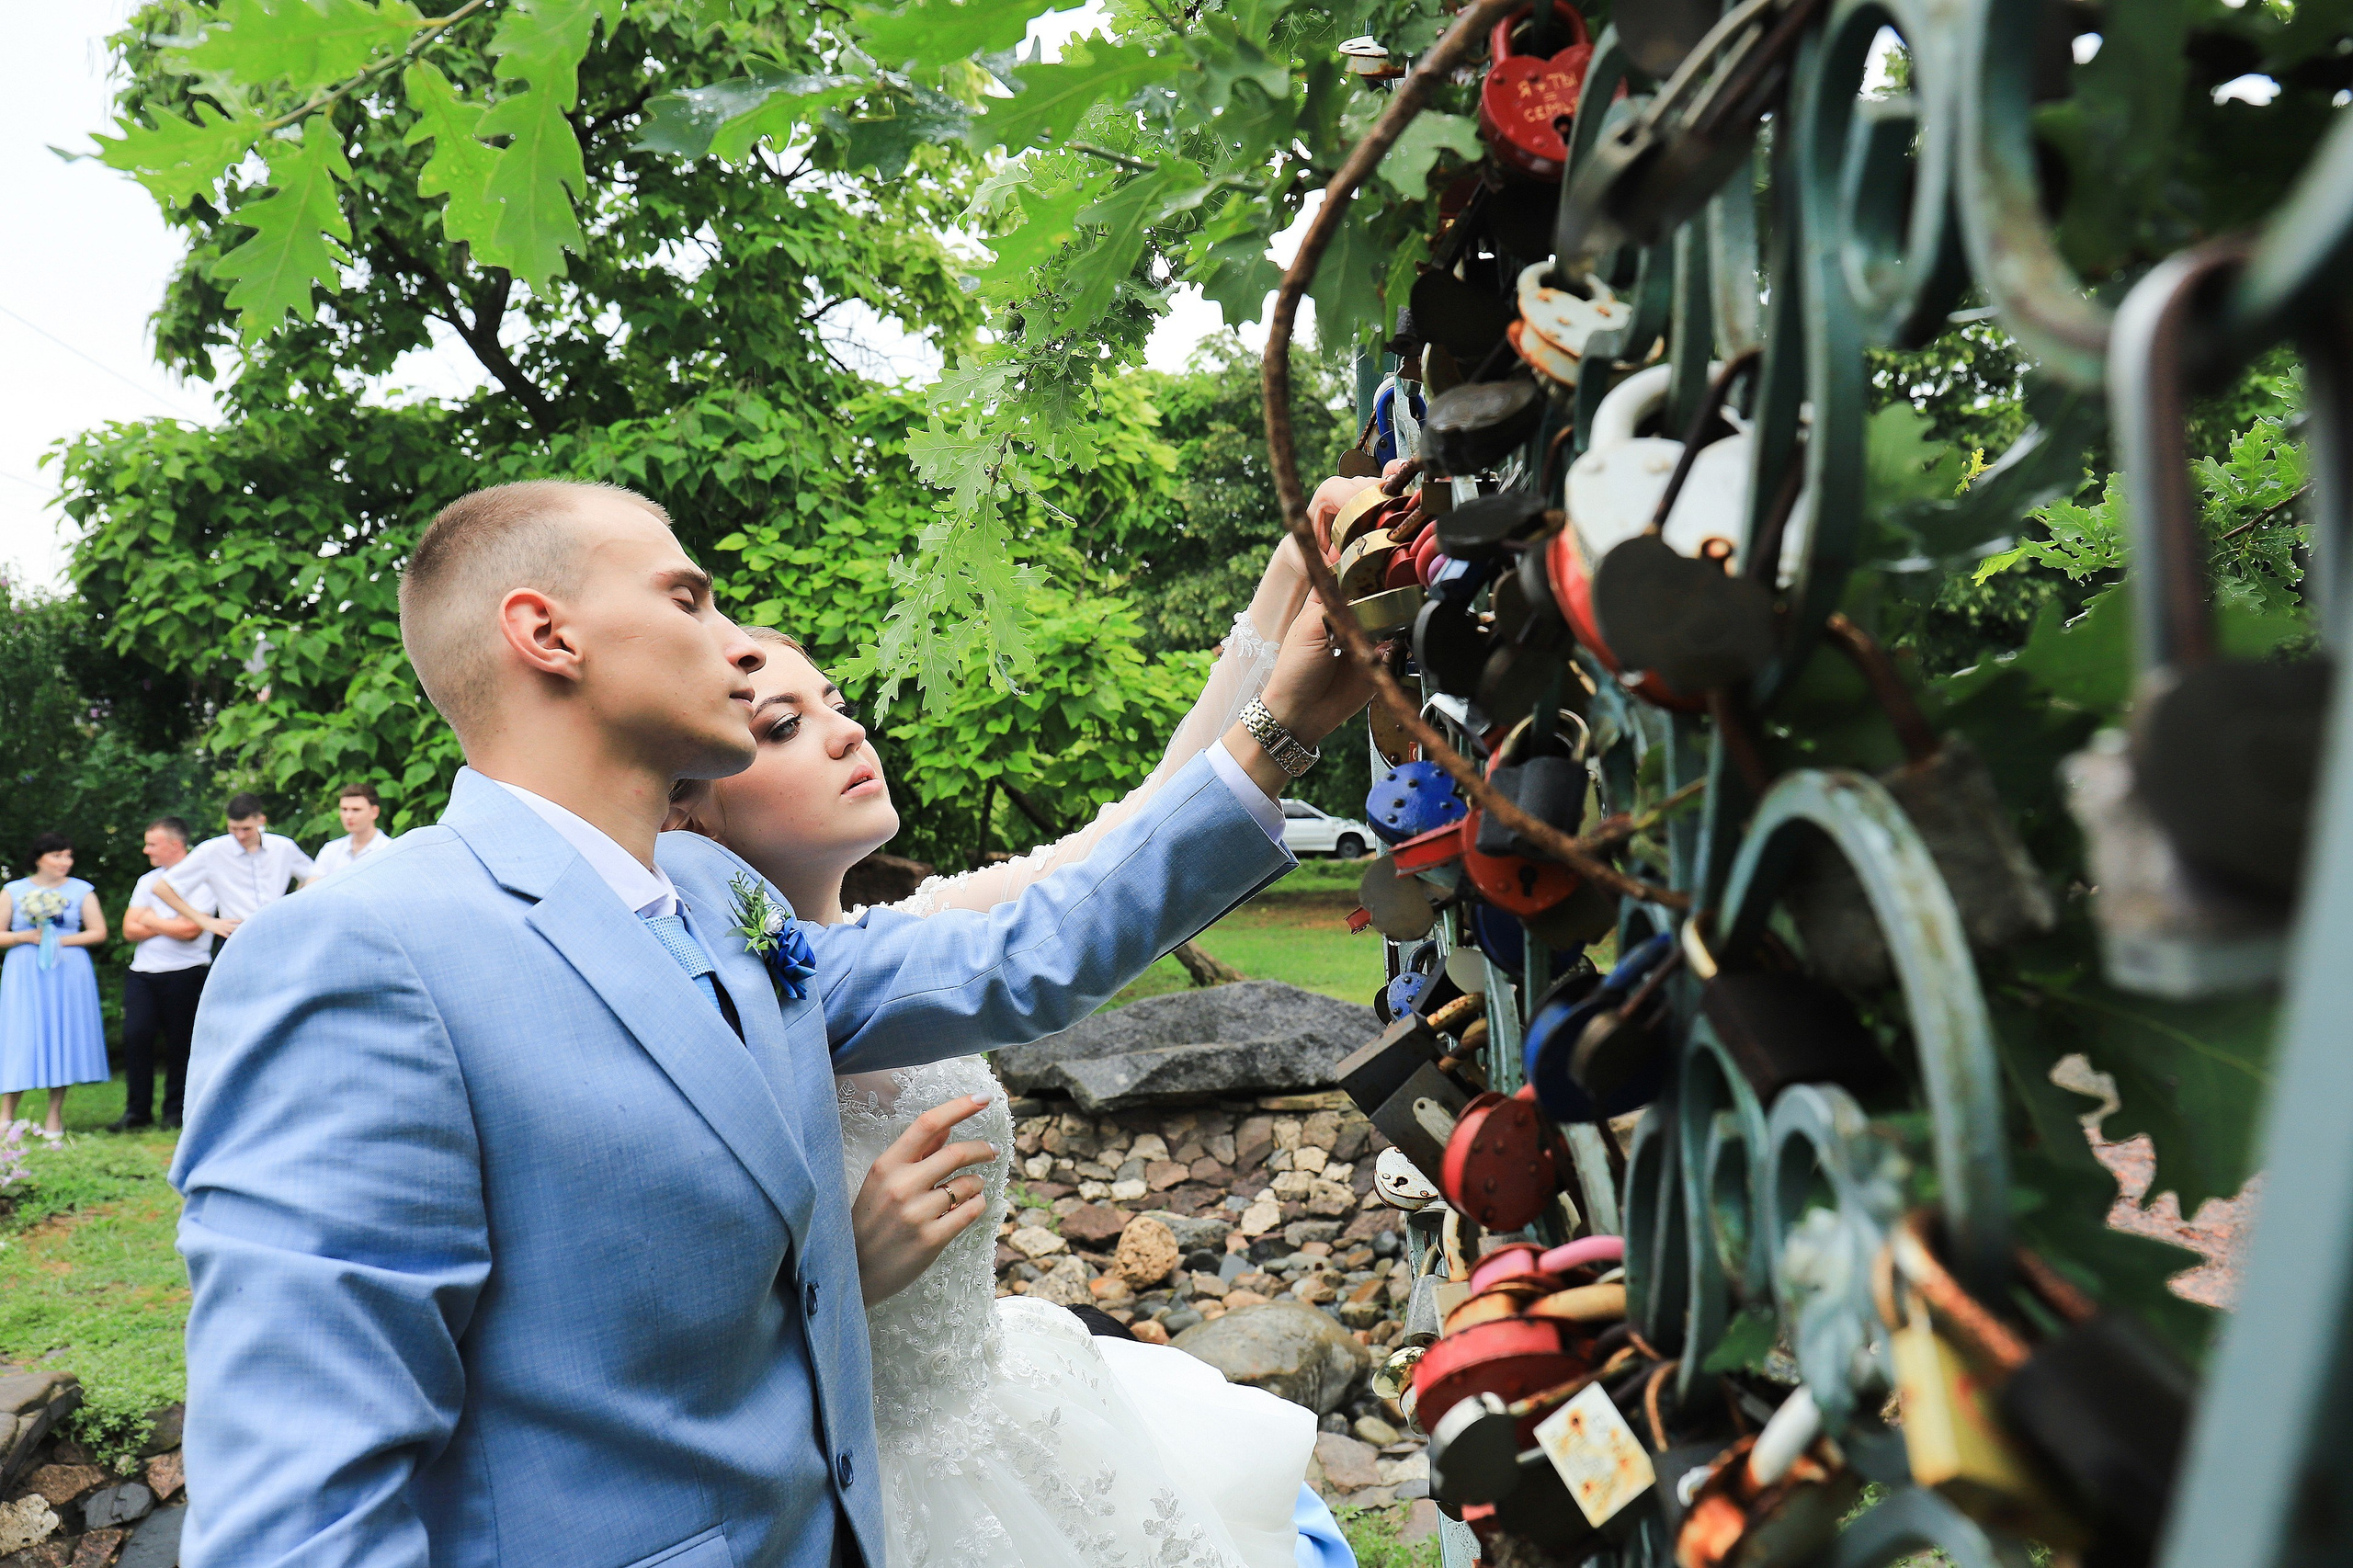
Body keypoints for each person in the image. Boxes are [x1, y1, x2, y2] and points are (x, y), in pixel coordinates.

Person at [170, 479, 1370, 1568]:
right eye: (687, 595)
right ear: (548, 633)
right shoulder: (358, 951)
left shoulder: (729, 901)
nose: (732, 640)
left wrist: (1281, 724)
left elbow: (1031, 950)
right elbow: (303, 1517)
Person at [666, 537, 1356, 1567]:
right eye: (781, 725)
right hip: (884, 1494)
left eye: (834, 698)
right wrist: (845, 1277)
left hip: (1009, 1415)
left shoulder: (906, 932)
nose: (846, 729)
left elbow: (1135, 832)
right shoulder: (715, 1011)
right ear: (689, 813)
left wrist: (1290, 573)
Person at [0, 833, 111, 1137]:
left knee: (62, 1035)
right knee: (21, 1036)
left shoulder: (82, 891)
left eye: (69, 856)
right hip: (25, 969)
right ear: (39, 858)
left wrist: (58, 940)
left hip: (68, 969)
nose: (66, 862)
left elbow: (98, 931)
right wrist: (24, 937)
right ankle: (5, 1118)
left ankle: (53, 1117)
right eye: (58, 856)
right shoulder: (13, 890)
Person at [112, 817, 214, 1131]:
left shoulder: (204, 881)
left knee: (180, 1043)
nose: (146, 850)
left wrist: (151, 921)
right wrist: (160, 924)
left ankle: (176, 1111)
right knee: (136, 1037)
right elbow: (129, 928)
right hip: (144, 973)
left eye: (153, 844)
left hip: (186, 971)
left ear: (175, 844)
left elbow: (190, 929)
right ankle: (137, 1112)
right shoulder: (147, 881)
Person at [152, 793, 315, 940]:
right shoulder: (211, 851)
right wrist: (206, 922)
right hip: (235, 935)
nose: (240, 835)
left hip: (277, 932)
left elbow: (315, 877)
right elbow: (162, 888)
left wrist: (295, 906)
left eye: (246, 829)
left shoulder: (283, 847)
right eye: (233, 829)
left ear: (261, 820)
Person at [305, 782, 401, 884]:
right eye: (344, 809)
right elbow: (311, 889)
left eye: (356, 810)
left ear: (374, 812)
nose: (348, 816)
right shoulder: (331, 850)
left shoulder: (390, 850)